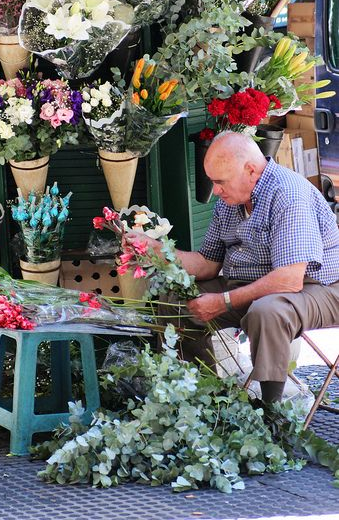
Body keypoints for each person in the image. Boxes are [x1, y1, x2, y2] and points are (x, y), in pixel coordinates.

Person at [126, 131, 339, 403]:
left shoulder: (288, 193)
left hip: (318, 288)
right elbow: (206, 264)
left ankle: (271, 410)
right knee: (178, 301)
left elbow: (289, 280)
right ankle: (201, 395)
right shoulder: (232, 199)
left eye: (220, 181)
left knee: (267, 311)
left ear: (251, 170)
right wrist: (157, 251)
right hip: (254, 286)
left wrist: (223, 301)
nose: (216, 190)